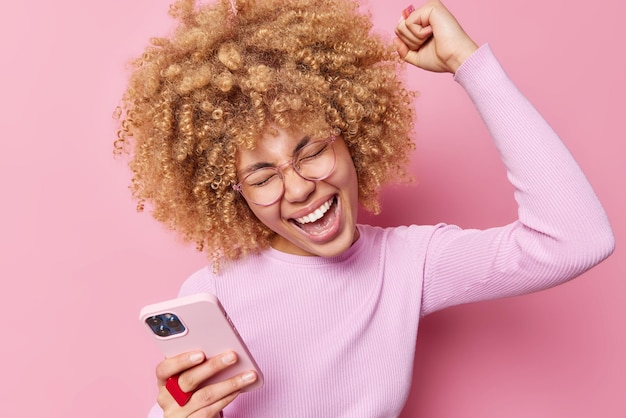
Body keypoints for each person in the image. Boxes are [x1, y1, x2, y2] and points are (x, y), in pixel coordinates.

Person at [114, 0, 615, 416]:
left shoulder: (408, 263)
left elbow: (576, 239)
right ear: (233, 194)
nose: (298, 188)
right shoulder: (211, 294)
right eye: (263, 176)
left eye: (311, 152)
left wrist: (470, 63)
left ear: (353, 138)